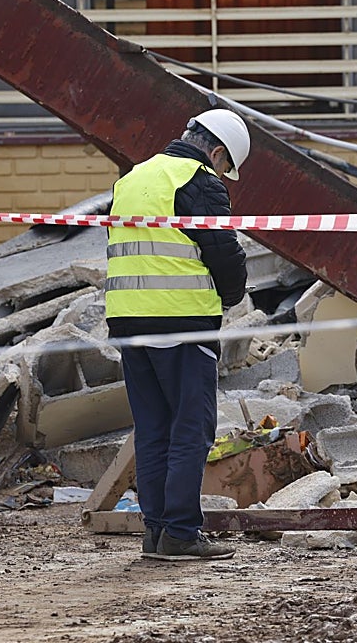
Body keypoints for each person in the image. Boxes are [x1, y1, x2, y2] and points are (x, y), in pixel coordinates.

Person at [105, 108, 251, 562]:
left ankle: (157, 533)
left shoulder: (132, 178)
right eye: (226, 167)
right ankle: (183, 534)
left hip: (129, 323)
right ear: (218, 152)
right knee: (191, 428)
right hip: (182, 322)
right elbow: (223, 253)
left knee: (153, 429)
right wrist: (231, 295)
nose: (223, 174)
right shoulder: (200, 181)